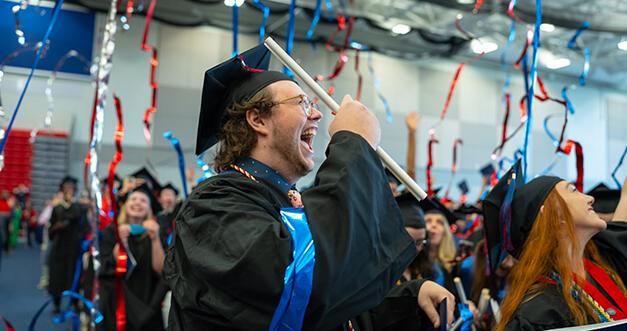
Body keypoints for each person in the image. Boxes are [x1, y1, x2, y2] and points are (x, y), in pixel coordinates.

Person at [164, 44, 455, 330]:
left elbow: (330, 306)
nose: (317, 114)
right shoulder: (213, 208)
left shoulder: (284, 201)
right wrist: (354, 144)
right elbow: (296, 290)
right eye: (302, 103)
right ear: (258, 119)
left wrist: (408, 300)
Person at [483, 161, 627, 330]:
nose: (590, 197)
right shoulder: (539, 312)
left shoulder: (605, 266)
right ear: (555, 214)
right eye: (573, 190)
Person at [98, 184, 168, 331]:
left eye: (143, 200)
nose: (137, 203)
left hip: (147, 299)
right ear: (125, 204)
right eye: (133, 199)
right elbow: (107, 267)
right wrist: (121, 242)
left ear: (149, 208)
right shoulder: (112, 230)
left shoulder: (155, 232)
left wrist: (155, 239)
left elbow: (160, 270)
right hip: (119, 299)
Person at [47, 176, 89, 314]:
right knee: (57, 276)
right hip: (59, 248)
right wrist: (57, 227)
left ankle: (75, 303)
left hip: (74, 248)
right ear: (62, 189)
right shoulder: (57, 208)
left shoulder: (79, 208)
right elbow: (50, 230)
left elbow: (85, 228)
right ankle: (57, 304)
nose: (69, 190)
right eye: (66, 188)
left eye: (71, 188)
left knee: (74, 276)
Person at [420, 198, 457, 289]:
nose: (433, 225)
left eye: (439, 222)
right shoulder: (412, 265)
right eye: (428, 221)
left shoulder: (452, 266)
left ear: (445, 232)